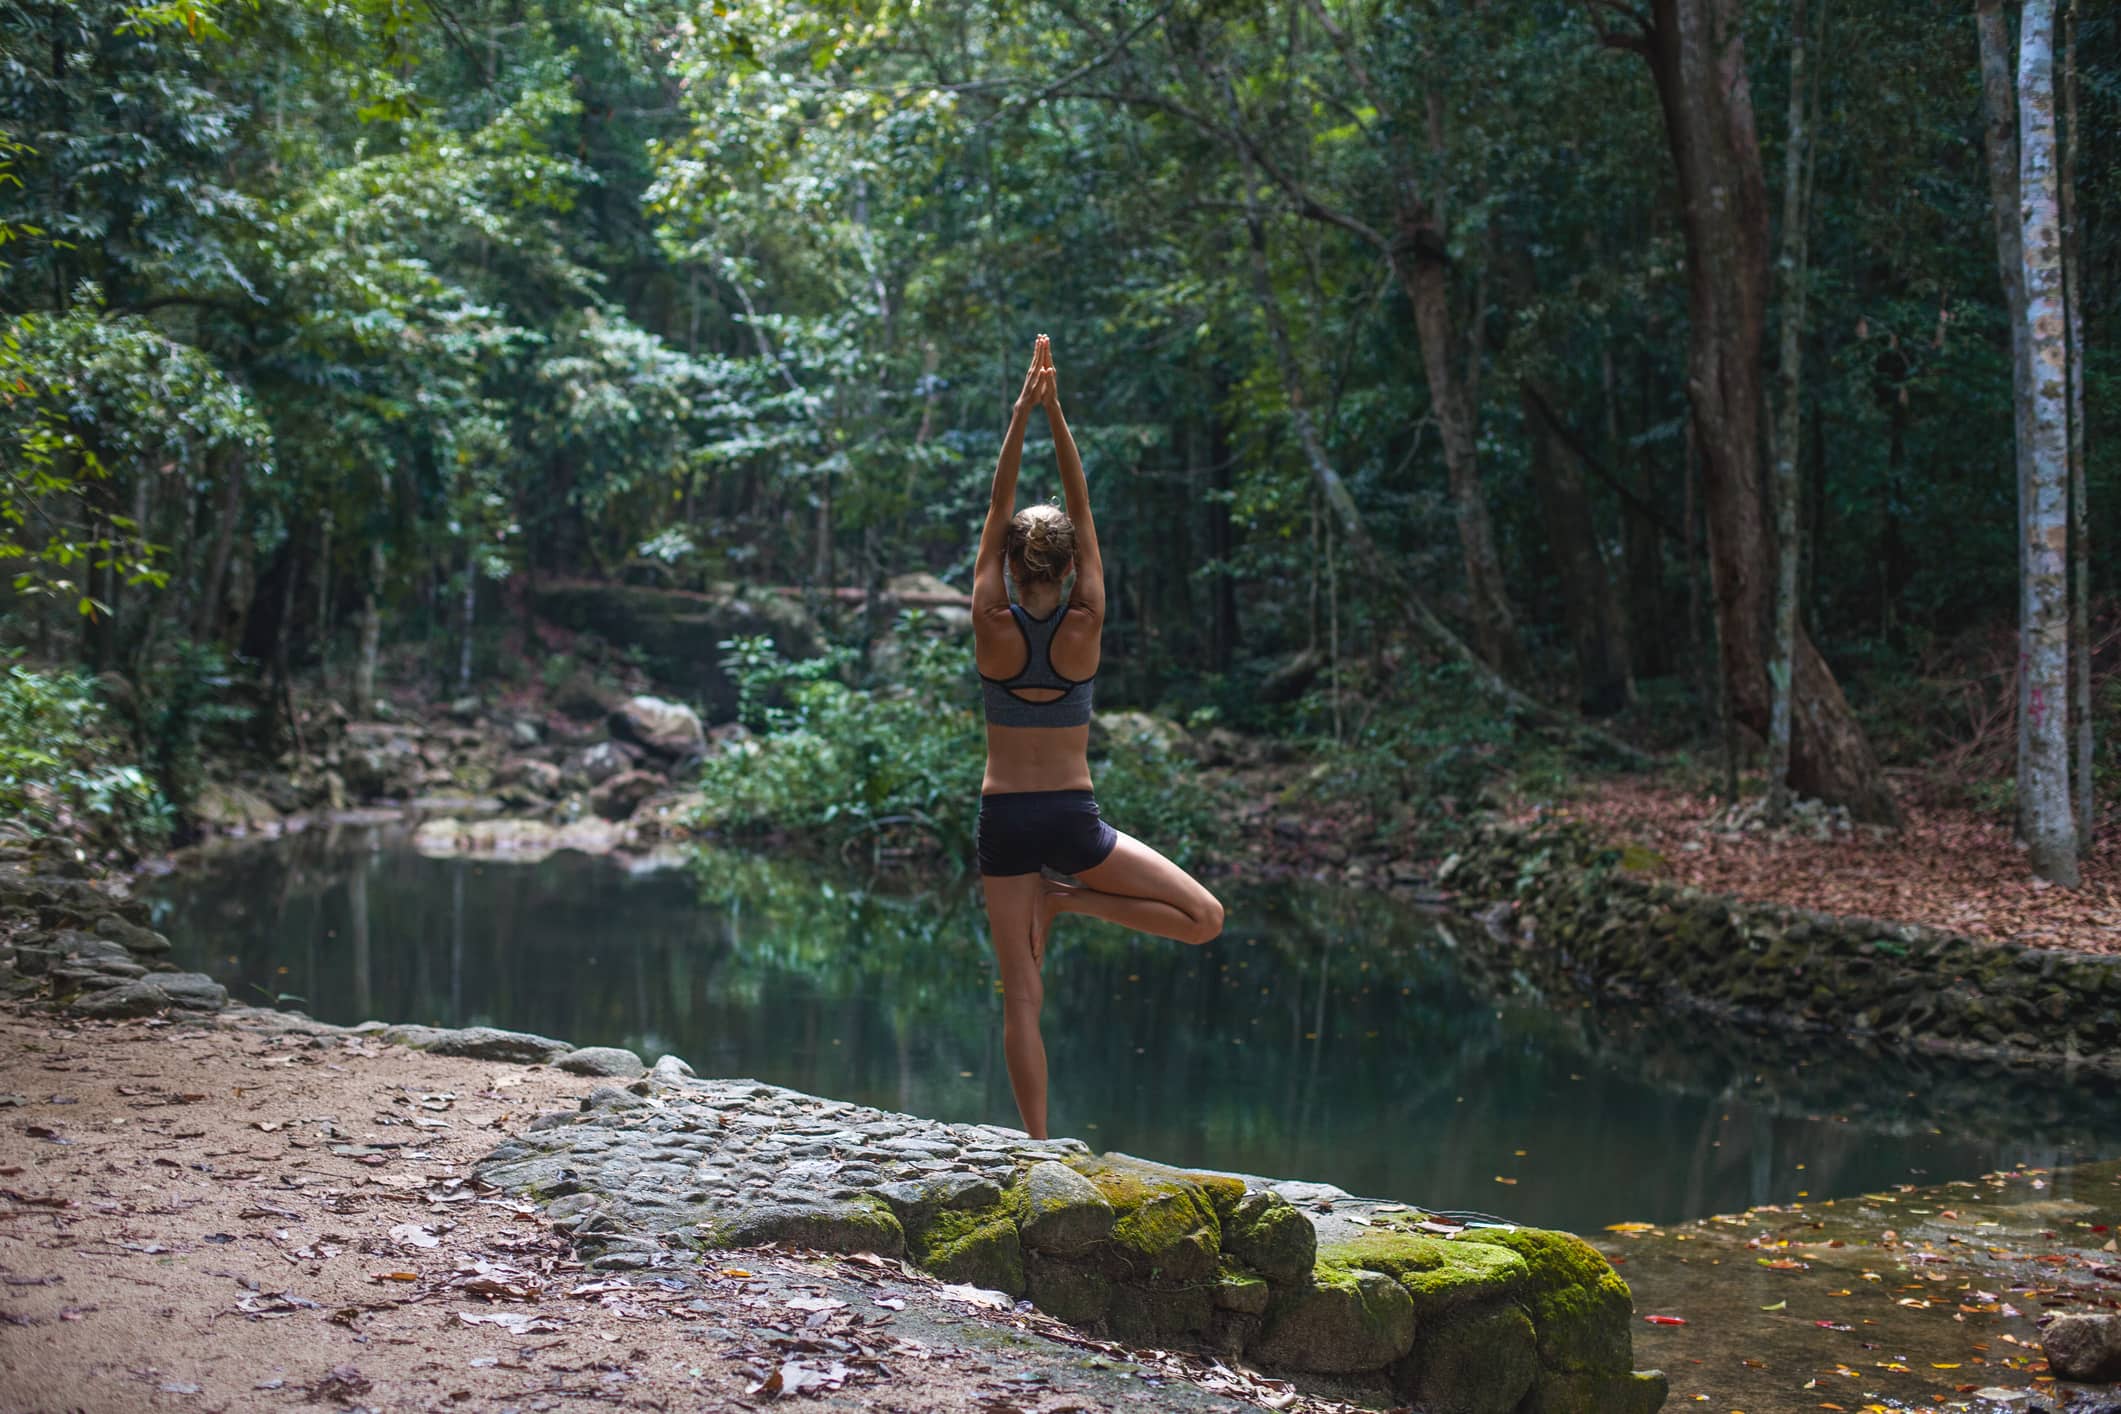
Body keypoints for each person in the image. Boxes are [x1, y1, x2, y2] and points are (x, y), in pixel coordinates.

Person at [973, 333, 1225, 1140]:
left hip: (1005, 819)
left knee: (1020, 995)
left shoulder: (987, 619)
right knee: (1204, 919)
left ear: (1011, 567)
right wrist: (1057, 417)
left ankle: (1040, 1149)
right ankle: (1072, 901)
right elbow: (1079, 510)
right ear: (1072, 563)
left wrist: (1020, 415)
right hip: (1073, 821)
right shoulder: (1086, 620)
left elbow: (994, 505)